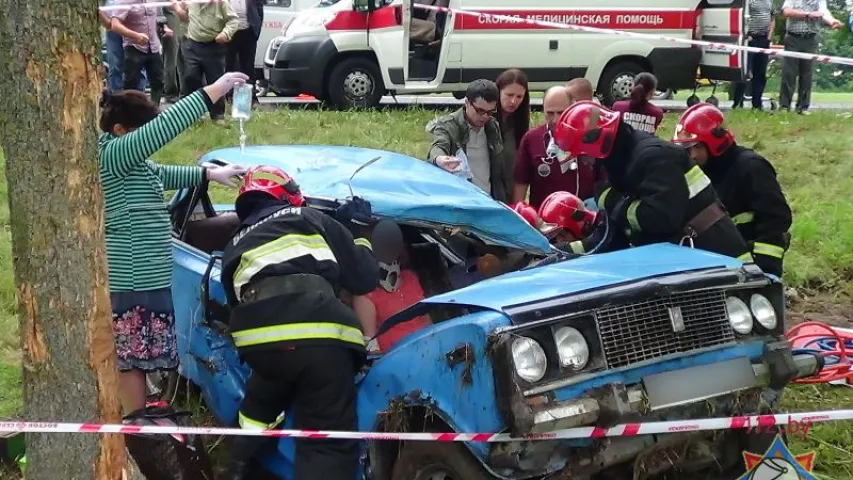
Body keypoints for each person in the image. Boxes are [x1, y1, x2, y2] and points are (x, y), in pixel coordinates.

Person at [98, 71, 249, 415]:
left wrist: (209, 174)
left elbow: (157, 172)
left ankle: (138, 412)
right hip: (131, 280)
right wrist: (213, 91)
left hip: (148, 275)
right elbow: (163, 130)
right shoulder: (113, 155)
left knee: (139, 353)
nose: (146, 144)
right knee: (131, 359)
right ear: (120, 131)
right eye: (141, 135)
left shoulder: (128, 161)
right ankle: (135, 423)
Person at [220, 165, 382, 480]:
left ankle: (235, 466)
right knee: (327, 443)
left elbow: (234, 302)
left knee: (264, 396)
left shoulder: (234, 245)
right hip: (320, 337)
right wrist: (360, 234)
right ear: (292, 197)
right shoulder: (311, 219)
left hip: (261, 342)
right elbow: (364, 278)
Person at [552, 101, 753, 261]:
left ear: (598, 144)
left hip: (721, 261)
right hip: (690, 258)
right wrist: (554, 252)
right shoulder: (620, 164)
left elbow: (661, 218)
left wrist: (616, 203)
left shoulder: (655, 158)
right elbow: (608, 238)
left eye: (584, 156)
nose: (587, 163)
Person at [672, 103, 792, 277]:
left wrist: (764, 267)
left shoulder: (751, 167)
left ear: (714, 143)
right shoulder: (700, 170)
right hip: (714, 263)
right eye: (686, 149)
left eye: (695, 147)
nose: (691, 156)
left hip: (751, 263)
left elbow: (776, 218)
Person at [513, 86, 602, 209]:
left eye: (561, 112)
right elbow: (520, 183)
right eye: (550, 113)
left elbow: (604, 182)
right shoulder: (532, 139)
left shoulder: (590, 139)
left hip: (585, 219)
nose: (555, 120)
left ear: (572, 108)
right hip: (544, 222)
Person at [352, 224, 432, 354]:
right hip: (396, 361)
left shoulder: (411, 278)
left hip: (428, 353)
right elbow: (371, 345)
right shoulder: (365, 293)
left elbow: (427, 320)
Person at [426, 79, 507, 202]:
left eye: (490, 112)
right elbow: (438, 146)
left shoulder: (492, 126)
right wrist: (439, 159)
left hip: (489, 201)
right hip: (460, 202)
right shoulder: (448, 125)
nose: (485, 116)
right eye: (480, 111)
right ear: (467, 103)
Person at [172, 0, 240, 122]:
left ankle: (218, 116)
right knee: (190, 78)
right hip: (192, 45)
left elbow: (234, 21)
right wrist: (177, 9)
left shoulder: (221, 2)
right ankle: (193, 115)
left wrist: (226, 34)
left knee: (215, 82)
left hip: (214, 47)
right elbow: (185, 18)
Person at [779, 0, 843, 114]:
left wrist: (832, 21)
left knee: (807, 74)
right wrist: (807, 14)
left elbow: (824, 13)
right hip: (793, 38)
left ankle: (803, 107)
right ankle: (784, 106)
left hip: (811, 39)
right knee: (789, 73)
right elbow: (786, 12)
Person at [108, 0, 171, 105]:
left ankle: (153, 112)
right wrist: (135, 36)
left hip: (153, 46)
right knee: (131, 85)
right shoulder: (124, 2)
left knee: (158, 82)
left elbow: (158, 18)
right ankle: (130, 114)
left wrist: (164, 28)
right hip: (134, 47)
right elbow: (115, 25)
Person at [732, 0, 777, 110]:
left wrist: (769, 38)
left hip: (763, 40)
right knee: (744, 72)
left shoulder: (769, 2)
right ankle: (737, 103)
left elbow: (772, 19)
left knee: (760, 74)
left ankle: (757, 105)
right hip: (749, 40)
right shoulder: (748, 2)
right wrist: (746, 35)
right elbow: (741, 17)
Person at [495, 69, 531, 198]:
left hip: (510, 194)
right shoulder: (484, 120)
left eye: (519, 97)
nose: (513, 101)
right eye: (509, 95)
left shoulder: (520, 125)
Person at [227, 0, 265, 105]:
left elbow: (259, 9)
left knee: (248, 67)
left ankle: (251, 99)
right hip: (229, 33)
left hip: (248, 32)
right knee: (228, 66)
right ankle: (229, 98)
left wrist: (256, 30)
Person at [162, 5, 187, 103]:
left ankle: (184, 91)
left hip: (180, 17)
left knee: (182, 57)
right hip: (169, 16)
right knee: (171, 58)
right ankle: (170, 93)